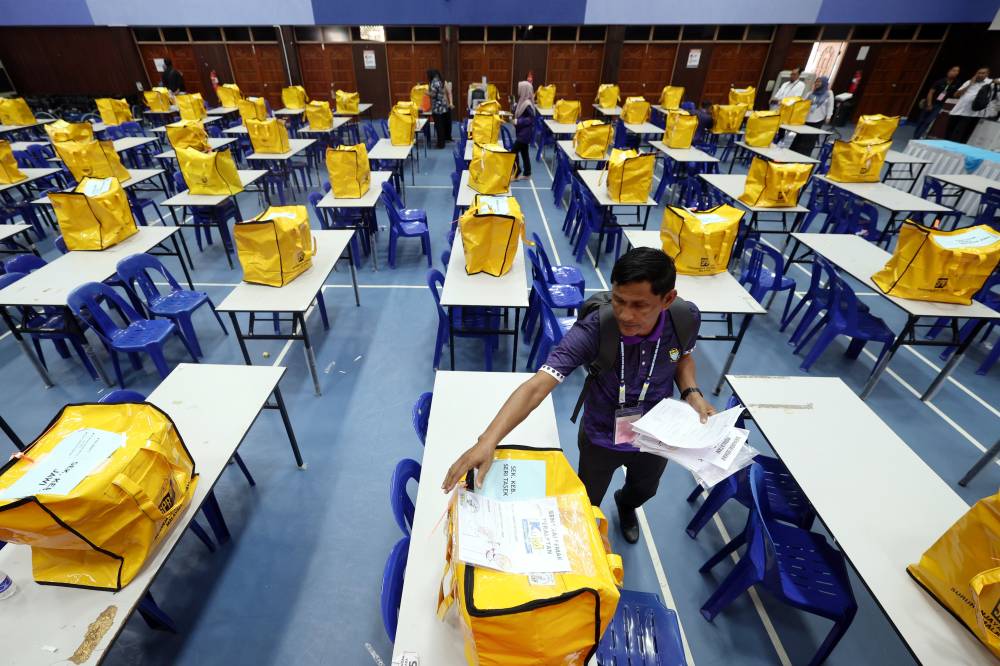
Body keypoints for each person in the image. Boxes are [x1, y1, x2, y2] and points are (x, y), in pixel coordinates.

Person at [441, 248, 715, 544]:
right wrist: (488, 440)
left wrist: (692, 393)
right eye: (619, 300)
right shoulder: (596, 328)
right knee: (587, 500)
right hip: (600, 436)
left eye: (640, 306)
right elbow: (537, 386)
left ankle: (626, 505)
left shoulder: (684, 319)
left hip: (657, 435)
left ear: (667, 300)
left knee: (644, 490)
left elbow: (683, 358)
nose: (625, 314)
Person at [946, 67, 992, 143]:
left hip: (970, 113)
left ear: (987, 74)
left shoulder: (989, 83)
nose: (980, 75)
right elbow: (956, 95)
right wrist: (970, 85)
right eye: (979, 73)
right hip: (957, 110)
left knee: (958, 136)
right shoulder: (969, 82)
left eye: (983, 73)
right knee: (948, 133)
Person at [913, 66, 961, 139]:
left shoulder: (956, 84)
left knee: (928, 121)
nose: (955, 72)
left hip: (939, 105)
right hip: (930, 102)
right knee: (921, 120)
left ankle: (918, 136)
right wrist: (929, 104)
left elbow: (955, 95)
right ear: (949, 71)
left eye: (957, 71)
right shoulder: (940, 81)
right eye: (954, 70)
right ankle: (916, 135)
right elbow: (931, 92)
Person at [789, 76, 833, 155]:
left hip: (818, 120)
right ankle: (793, 153)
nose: (817, 83)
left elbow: (830, 106)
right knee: (800, 137)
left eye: (819, 82)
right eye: (816, 82)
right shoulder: (810, 93)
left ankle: (804, 155)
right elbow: (802, 104)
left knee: (810, 139)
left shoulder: (829, 93)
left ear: (824, 83)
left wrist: (829, 116)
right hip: (806, 119)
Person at [512, 81, 535, 179]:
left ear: (524, 90)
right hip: (522, 132)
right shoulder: (522, 101)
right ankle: (527, 172)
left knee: (513, 152)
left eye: (520, 88)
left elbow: (530, 119)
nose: (518, 90)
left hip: (524, 134)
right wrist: (513, 106)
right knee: (524, 152)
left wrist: (518, 121)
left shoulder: (527, 104)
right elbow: (519, 112)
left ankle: (517, 172)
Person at [428, 69, 451, 149]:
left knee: (439, 126)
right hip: (443, 106)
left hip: (437, 108)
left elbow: (433, 94)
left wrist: (427, 93)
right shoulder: (440, 80)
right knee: (442, 125)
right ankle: (442, 142)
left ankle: (440, 144)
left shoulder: (433, 82)